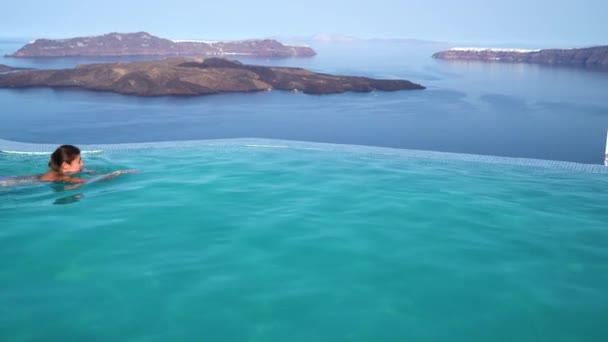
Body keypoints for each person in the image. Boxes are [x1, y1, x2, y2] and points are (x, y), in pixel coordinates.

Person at [0, 144, 136, 188]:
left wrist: (88, 170)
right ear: (65, 165)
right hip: (10, 184)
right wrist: (118, 173)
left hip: (15, 179)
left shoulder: (59, 171)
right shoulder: (61, 178)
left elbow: (86, 172)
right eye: (79, 161)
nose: (82, 163)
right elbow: (86, 182)